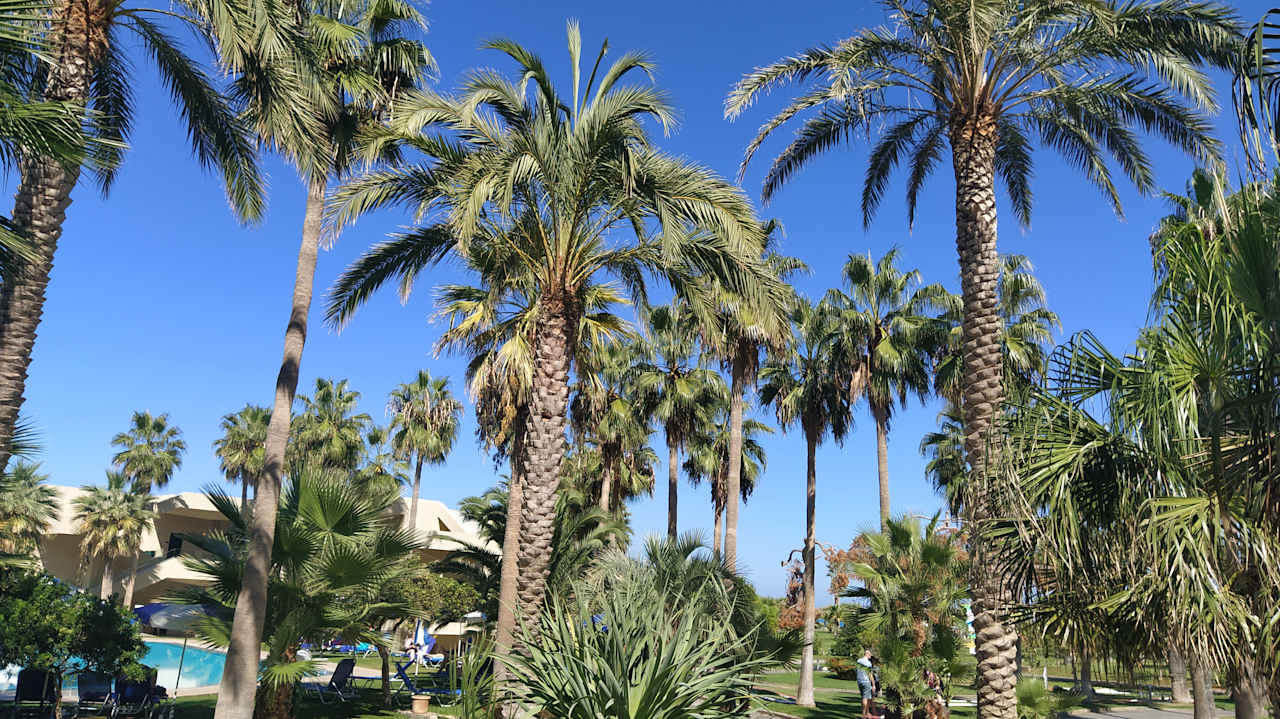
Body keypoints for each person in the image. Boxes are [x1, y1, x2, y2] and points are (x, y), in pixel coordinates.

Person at [856, 649, 877, 719]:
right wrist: (873, 685)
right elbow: (870, 675)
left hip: (859, 682)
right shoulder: (868, 663)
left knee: (864, 697)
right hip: (866, 682)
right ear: (867, 654)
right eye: (870, 655)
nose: (871, 656)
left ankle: (867, 713)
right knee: (866, 698)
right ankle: (863, 714)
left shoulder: (858, 661)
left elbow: (857, 671)